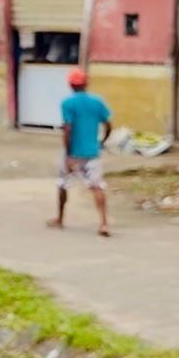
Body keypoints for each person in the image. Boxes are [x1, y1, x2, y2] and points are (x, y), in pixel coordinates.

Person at [48, 67, 112, 237]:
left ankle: (60, 219)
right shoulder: (97, 101)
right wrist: (102, 141)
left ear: (70, 84)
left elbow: (67, 129)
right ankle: (104, 223)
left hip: (74, 152)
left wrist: (69, 154)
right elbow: (108, 124)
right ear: (86, 83)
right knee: (97, 186)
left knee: (63, 184)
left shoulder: (67, 103)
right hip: (92, 152)